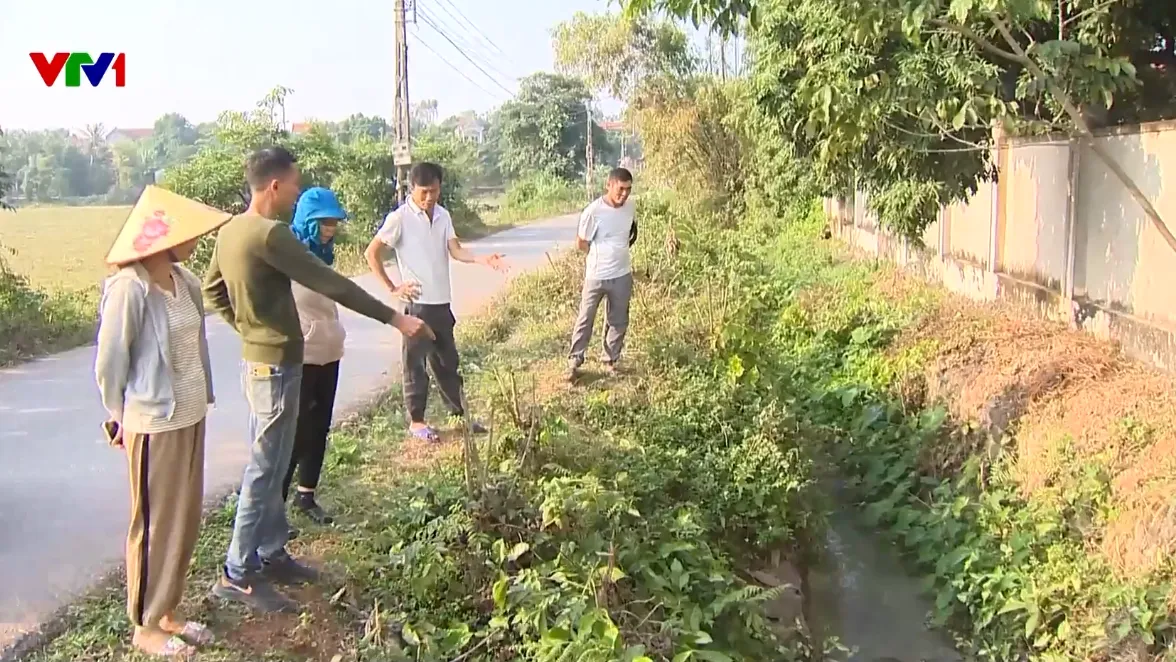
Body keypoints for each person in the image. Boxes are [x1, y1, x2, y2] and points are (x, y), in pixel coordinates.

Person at [203, 146, 433, 614]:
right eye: (293, 184)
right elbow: (335, 285)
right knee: (265, 469)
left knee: (274, 458)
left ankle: (271, 552)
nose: (296, 192)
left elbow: (212, 290)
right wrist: (396, 318)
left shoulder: (231, 231)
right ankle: (237, 572)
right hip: (277, 366)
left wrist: (249, 330)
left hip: (259, 362)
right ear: (274, 187)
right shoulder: (272, 234)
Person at [95, 186, 232, 658]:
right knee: (153, 524)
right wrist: (118, 418)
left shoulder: (184, 280)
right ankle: (146, 625)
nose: (193, 242)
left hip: (191, 414)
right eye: (185, 234)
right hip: (154, 422)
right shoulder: (130, 288)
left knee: (184, 519)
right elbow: (110, 363)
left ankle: (169, 610)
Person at [364, 161, 507, 443]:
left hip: (442, 303)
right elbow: (372, 253)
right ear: (412, 189)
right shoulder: (400, 218)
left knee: (447, 363)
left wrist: (482, 259)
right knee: (415, 365)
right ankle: (417, 422)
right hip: (417, 306)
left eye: (435, 191)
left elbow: (455, 250)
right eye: (424, 192)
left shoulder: (443, 216)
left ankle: (460, 416)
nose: (430, 198)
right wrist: (393, 288)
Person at [284, 187, 349, 525]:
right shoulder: (288, 254)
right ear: (307, 220)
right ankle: (273, 505)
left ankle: (306, 495)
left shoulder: (325, 255)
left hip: (329, 350)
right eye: (324, 222)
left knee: (319, 426)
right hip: (302, 355)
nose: (330, 228)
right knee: (295, 431)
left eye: (334, 222)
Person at [566, 167, 637, 380]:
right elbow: (581, 243)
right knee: (586, 317)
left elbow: (630, 233)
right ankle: (575, 362)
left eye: (628, 189)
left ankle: (610, 360)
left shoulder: (630, 207)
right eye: (621, 188)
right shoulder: (593, 211)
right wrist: (600, 256)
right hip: (596, 275)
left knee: (618, 319)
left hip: (622, 273)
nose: (624, 194)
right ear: (609, 185)